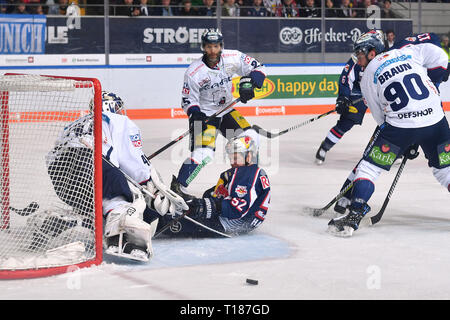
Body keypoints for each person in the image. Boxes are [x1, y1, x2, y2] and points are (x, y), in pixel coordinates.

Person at [327, 30, 450, 237]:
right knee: (445, 170)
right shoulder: (409, 51)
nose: (358, 60)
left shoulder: (368, 76)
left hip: (400, 127)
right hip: (436, 121)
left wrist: (403, 142)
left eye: (360, 54)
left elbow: (380, 117)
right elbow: (438, 56)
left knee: (368, 168)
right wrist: (436, 80)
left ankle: (355, 213)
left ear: (372, 52)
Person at [45, 91, 187, 261]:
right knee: (128, 198)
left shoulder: (74, 123)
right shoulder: (118, 120)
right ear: (109, 106)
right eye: (117, 107)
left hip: (60, 175)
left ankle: (71, 222)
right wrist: (150, 185)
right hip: (90, 161)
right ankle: (123, 238)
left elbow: (52, 156)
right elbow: (134, 161)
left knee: (98, 205)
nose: (120, 111)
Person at [171, 29, 266, 200]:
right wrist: (195, 113)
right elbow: (187, 100)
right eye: (209, 46)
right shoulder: (194, 72)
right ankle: (178, 186)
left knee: (250, 138)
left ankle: (247, 180)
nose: (213, 50)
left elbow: (258, 68)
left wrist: (252, 84)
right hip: (206, 116)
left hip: (227, 110)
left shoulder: (232, 57)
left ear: (221, 46)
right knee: (204, 154)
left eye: (216, 46)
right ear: (203, 47)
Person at [156, 135, 270, 237]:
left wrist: (204, 205)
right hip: (236, 221)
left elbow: (237, 209)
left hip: (226, 223)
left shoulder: (247, 174)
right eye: (230, 157)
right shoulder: (250, 172)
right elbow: (216, 196)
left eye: (235, 157)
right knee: (191, 204)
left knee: (165, 220)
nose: (231, 161)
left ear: (248, 156)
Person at [314, 32, 385, 165]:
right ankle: (325, 147)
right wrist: (343, 98)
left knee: (392, 120)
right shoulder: (355, 60)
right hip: (359, 93)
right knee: (346, 122)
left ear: (372, 51)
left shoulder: (387, 59)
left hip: (380, 94)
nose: (358, 57)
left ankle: (391, 150)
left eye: (361, 53)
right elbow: (346, 79)